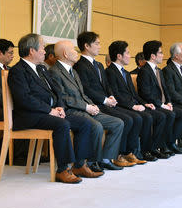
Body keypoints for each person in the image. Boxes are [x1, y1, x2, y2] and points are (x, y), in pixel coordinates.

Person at [8, 33, 102, 183]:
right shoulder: (17, 71)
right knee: (62, 124)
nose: (45, 52)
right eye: (42, 48)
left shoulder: (42, 69)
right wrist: (49, 110)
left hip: (49, 112)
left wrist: (59, 107)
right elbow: (24, 99)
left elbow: (57, 91)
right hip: (30, 115)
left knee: (85, 123)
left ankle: (79, 165)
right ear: (32, 50)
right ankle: (63, 169)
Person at [73, 32, 151, 165]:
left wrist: (111, 96)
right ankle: (115, 155)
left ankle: (126, 153)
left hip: (107, 102)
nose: (99, 46)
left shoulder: (98, 65)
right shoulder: (80, 65)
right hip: (96, 104)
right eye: (97, 43)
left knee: (134, 117)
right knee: (127, 119)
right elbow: (86, 89)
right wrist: (104, 100)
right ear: (86, 46)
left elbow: (106, 85)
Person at [48, 40, 126, 172]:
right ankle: (91, 162)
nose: (76, 52)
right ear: (66, 54)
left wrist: (92, 105)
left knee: (117, 123)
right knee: (96, 126)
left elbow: (82, 94)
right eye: (73, 49)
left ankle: (105, 159)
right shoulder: (55, 71)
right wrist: (85, 107)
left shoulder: (72, 70)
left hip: (84, 108)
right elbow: (63, 97)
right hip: (71, 111)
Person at [106, 41, 173, 160]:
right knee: (145, 117)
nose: (129, 55)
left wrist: (144, 103)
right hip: (122, 106)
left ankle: (148, 149)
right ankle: (139, 151)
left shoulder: (125, 73)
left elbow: (134, 94)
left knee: (153, 115)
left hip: (134, 104)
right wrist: (133, 106)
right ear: (119, 56)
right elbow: (116, 95)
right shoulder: (110, 72)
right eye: (127, 52)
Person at [137, 40, 182, 156]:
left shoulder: (159, 70)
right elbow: (146, 94)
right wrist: (161, 104)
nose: (163, 55)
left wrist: (169, 102)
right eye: (160, 53)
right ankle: (157, 146)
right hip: (152, 105)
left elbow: (166, 90)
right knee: (167, 115)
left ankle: (170, 143)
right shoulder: (144, 71)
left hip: (163, 104)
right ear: (153, 56)